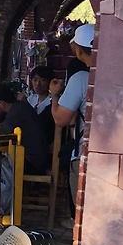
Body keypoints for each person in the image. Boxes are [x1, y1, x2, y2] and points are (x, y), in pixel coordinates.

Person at [49, 24, 94, 206]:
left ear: (78, 50)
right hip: (111, 155)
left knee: (82, 210)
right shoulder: (113, 75)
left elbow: (60, 119)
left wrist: (54, 95)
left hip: (85, 152)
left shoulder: (81, 79)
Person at [0, 82, 49, 176]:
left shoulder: (16, 112)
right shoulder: (19, 107)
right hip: (36, 160)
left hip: (31, 163)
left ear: (1, 103)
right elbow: (4, 127)